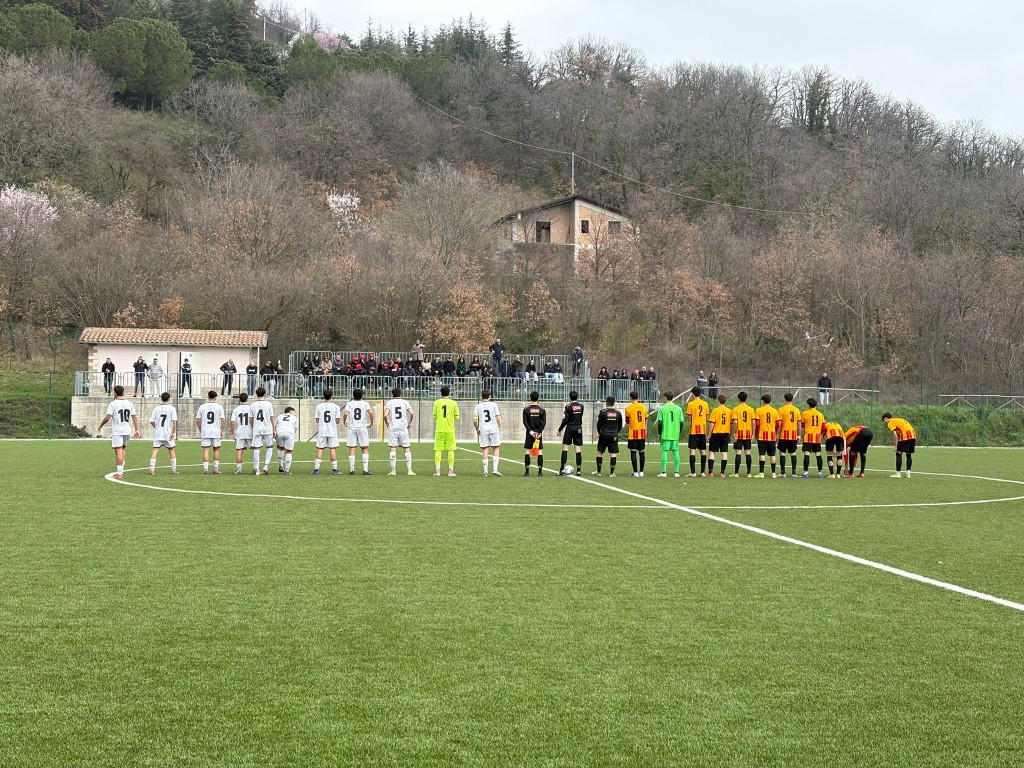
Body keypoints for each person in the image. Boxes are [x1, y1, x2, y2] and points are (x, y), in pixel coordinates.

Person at [97, 384, 141, 479]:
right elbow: (134, 417)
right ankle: (121, 469)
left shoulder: (113, 404)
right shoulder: (129, 403)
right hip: (127, 430)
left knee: (118, 449)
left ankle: (120, 473)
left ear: (115, 393)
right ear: (123, 392)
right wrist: (137, 430)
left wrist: (101, 425)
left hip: (118, 430)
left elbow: (107, 417)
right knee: (123, 448)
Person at [384, 387, 415, 476]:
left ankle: (393, 471)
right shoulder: (405, 402)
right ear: (400, 394)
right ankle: (409, 470)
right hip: (403, 428)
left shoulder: (389, 402)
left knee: (393, 448)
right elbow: (412, 413)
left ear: (392, 394)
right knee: (406, 447)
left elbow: (385, 415)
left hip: (393, 428)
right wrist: (409, 422)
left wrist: (387, 423)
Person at [343, 388, 374, 475]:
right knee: (364, 448)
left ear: (353, 395)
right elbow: (370, 412)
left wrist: (344, 422)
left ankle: (352, 470)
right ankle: (365, 470)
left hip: (352, 427)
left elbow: (345, 413)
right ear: (362, 395)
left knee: (352, 448)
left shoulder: (349, 403)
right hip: (362, 427)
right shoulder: (365, 403)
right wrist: (371, 422)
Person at [148, 392, 179, 476]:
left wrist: (156, 427)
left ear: (161, 399)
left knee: (155, 450)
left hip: (158, 433)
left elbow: (151, 421)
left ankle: (151, 469)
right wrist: (173, 432)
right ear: (169, 399)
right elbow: (174, 421)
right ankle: (173, 470)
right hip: (167, 433)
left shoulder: (156, 408)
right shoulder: (172, 409)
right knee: (171, 450)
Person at [473, 389, 503, 476]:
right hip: (494, 428)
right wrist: (499, 427)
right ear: (489, 396)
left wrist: (477, 429)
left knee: (485, 448)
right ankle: (495, 469)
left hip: (483, 429)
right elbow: (498, 418)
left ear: (481, 396)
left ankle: (485, 471)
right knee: (496, 447)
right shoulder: (494, 405)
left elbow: (474, 420)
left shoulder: (478, 406)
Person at [432, 385, 460, 476]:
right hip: (450, 430)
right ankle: (450, 471)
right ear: (449, 393)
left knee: (438, 449)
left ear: (441, 393)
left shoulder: (436, 402)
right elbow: (457, 417)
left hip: (439, 429)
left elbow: (434, 416)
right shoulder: (453, 403)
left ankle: (437, 471)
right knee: (451, 450)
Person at [313, 389, 342, 475]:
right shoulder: (336, 407)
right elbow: (337, 421)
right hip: (332, 431)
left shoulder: (319, 406)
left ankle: (316, 470)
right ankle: (335, 470)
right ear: (331, 396)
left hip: (322, 431)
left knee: (320, 450)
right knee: (332, 450)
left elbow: (317, 420)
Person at [655, 390, 684, 477]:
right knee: (676, 452)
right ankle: (676, 472)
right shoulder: (678, 408)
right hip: (675, 433)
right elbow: (681, 422)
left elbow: (660, 422)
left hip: (666, 433)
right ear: (673, 397)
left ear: (665, 397)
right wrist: (679, 431)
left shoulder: (662, 408)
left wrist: (659, 432)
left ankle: (663, 472)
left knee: (665, 452)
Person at [195, 390, 225, 475]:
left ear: (208, 397)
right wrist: (222, 431)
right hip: (216, 431)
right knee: (216, 450)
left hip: (205, 431)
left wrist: (201, 429)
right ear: (216, 397)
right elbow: (223, 420)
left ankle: (205, 469)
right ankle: (216, 469)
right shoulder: (219, 407)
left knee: (206, 450)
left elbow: (198, 420)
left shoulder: (202, 407)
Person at [592, 396, 623, 477]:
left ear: (606, 402)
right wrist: (615, 432)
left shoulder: (603, 412)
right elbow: (620, 425)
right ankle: (612, 473)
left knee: (600, 452)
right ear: (614, 403)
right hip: (614, 435)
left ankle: (599, 472)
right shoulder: (618, 413)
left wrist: (599, 433)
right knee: (613, 453)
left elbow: (599, 424)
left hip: (604, 434)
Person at [556, 390, 585, 475]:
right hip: (578, 428)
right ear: (577, 397)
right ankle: (578, 470)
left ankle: (562, 469)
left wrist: (559, 430)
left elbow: (565, 420)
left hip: (570, 428)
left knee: (565, 448)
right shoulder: (581, 406)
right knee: (578, 448)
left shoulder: (568, 407)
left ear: (569, 398)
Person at [250, 387, 276, 475]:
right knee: (269, 447)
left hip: (257, 429)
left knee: (256, 449)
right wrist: (274, 429)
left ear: (256, 395)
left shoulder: (253, 405)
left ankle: (257, 469)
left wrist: (253, 427)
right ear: (264, 394)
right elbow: (272, 417)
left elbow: (251, 419)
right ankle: (266, 465)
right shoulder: (268, 404)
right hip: (268, 428)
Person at [882, 413, 917, 478]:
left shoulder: (891, 422)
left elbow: (895, 434)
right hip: (913, 434)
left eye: (884, 420)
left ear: (886, 418)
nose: (885, 422)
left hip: (906, 435)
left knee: (898, 453)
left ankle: (898, 474)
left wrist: (896, 446)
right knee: (908, 454)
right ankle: (908, 473)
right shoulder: (899, 419)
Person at [684, 386, 709, 477]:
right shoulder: (705, 404)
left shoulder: (691, 404)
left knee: (692, 451)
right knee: (703, 451)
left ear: (693, 394)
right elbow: (707, 417)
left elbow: (689, 418)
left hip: (694, 430)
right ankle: (702, 472)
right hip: (702, 430)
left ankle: (693, 472)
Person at [754, 394, 780, 478]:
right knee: (773, 455)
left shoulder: (759, 410)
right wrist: (775, 432)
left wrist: (756, 432)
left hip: (762, 435)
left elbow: (757, 424)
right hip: (772, 436)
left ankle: (761, 473)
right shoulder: (774, 411)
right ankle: (773, 473)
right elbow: (778, 424)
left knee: (762, 454)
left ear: (763, 401)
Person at [730, 391, 756, 478]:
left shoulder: (735, 409)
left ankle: (736, 473)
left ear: (738, 398)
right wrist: (753, 434)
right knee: (748, 453)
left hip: (739, 434)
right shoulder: (751, 409)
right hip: (748, 434)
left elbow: (735, 422)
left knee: (738, 452)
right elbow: (753, 422)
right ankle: (749, 473)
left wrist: (733, 433)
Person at [624, 391, 649, 478]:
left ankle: (635, 473)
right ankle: (641, 472)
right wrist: (645, 430)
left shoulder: (628, 408)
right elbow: (645, 420)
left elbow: (627, 422)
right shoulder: (643, 408)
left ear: (630, 398)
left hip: (633, 433)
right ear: (638, 397)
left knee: (633, 452)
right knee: (641, 452)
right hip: (642, 432)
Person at [800, 398, 826, 478]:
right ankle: (820, 473)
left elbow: (802, 425)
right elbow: (824, 427)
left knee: (807, 453)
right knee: (818, 454)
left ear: (808, 405)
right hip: (817, 438)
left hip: (808, 437)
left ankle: (805, 473)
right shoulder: (820, 415)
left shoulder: (805, 413)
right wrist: (820, 434)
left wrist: (801, 436)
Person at [707, 394, 732, 478]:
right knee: (724, 453)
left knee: (712, 452)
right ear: (725, 401)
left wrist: (709, 434)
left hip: (716, 434)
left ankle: (710, 472)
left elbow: (712, 424)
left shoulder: (715, 410)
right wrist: (730, 433)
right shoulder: (729, 411)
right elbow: (731, 423)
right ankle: (722, 473)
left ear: (718, 400)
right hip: (725, 434)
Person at [522, 390, 546, 476]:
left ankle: (527, 472)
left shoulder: (526, 409)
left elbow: (525, 422)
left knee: (528, 451)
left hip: (530, 432)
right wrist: (539, 432)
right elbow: (543, 423)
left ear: (530, 398)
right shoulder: (542, 410)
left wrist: (531, 432)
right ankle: (540, 472)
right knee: (539, 451)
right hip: (538, 433)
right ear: (538, 398)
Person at [777, 392, 801, 478]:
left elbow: (779, 424)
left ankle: (783, 473)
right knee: (793, 453)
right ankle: (794, 473)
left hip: (784, 435)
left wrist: (777, 434)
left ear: (785, 399)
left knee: (782, 453)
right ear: (792, 400)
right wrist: (799, 435)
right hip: (793, 435)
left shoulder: (781, 410)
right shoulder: (797, 410)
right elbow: (799, 424)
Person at [230, 392, 253, 475]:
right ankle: (255, 468)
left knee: (239, 451)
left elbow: (233, 422)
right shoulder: (251, 408)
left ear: (240, 399)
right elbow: (252, 420)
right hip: (250, 432)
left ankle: (239, 469)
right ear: (247, 399)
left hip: (240, 432)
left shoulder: (236, 409)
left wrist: (233, 433)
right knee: (255, 450)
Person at [276, 406, 297, 474]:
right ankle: (287, 470)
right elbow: (295, 429)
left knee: (280, 448)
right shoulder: (294, 418)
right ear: (291, 411)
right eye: (294, 412)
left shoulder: (279, 416)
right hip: (289, 433)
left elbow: (275, 425)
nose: (295, 413)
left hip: (279, 432)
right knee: (288, 451)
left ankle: (280, 466)